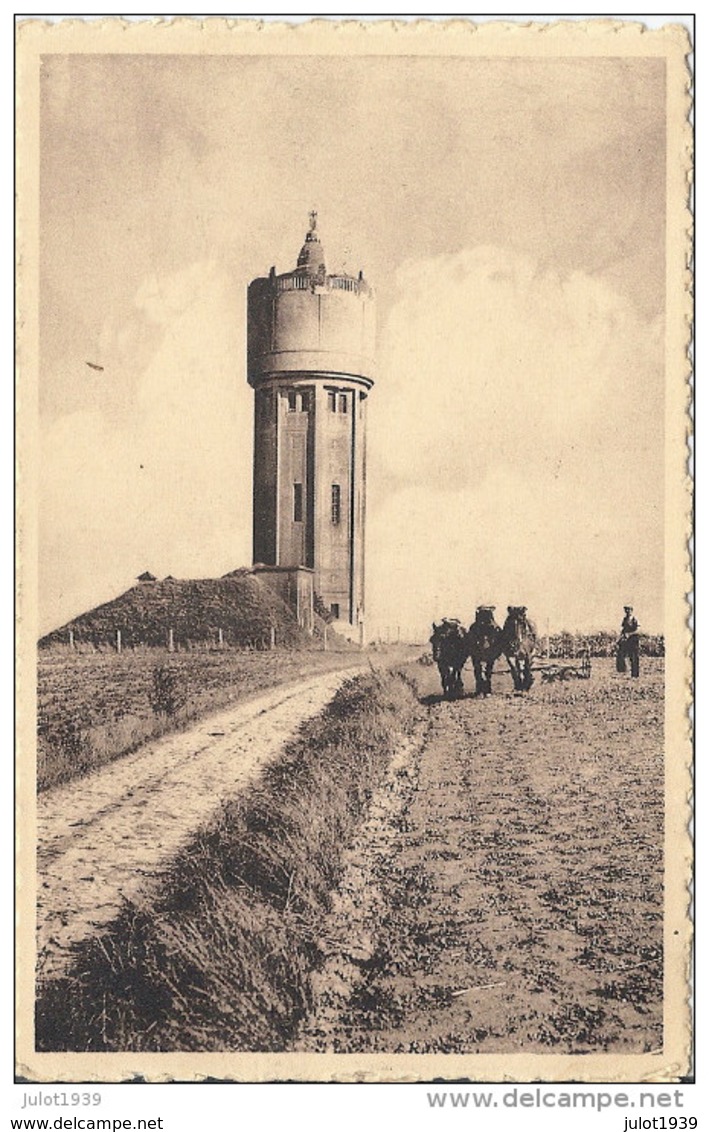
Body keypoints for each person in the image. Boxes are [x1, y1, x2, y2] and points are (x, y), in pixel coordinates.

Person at [616, 605, 640, 677]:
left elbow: (638, 630)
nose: (627, 611)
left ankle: (635, 674)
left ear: (631, 610)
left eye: (629, 610)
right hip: (627, 640)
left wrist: (629, 634)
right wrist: (620, 637)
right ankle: (624, 671)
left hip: (634, 640)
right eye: (626, 610)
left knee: (634, 657)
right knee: (624, 655)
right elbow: (623, 629)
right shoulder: (625, 619)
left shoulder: (635, 619)